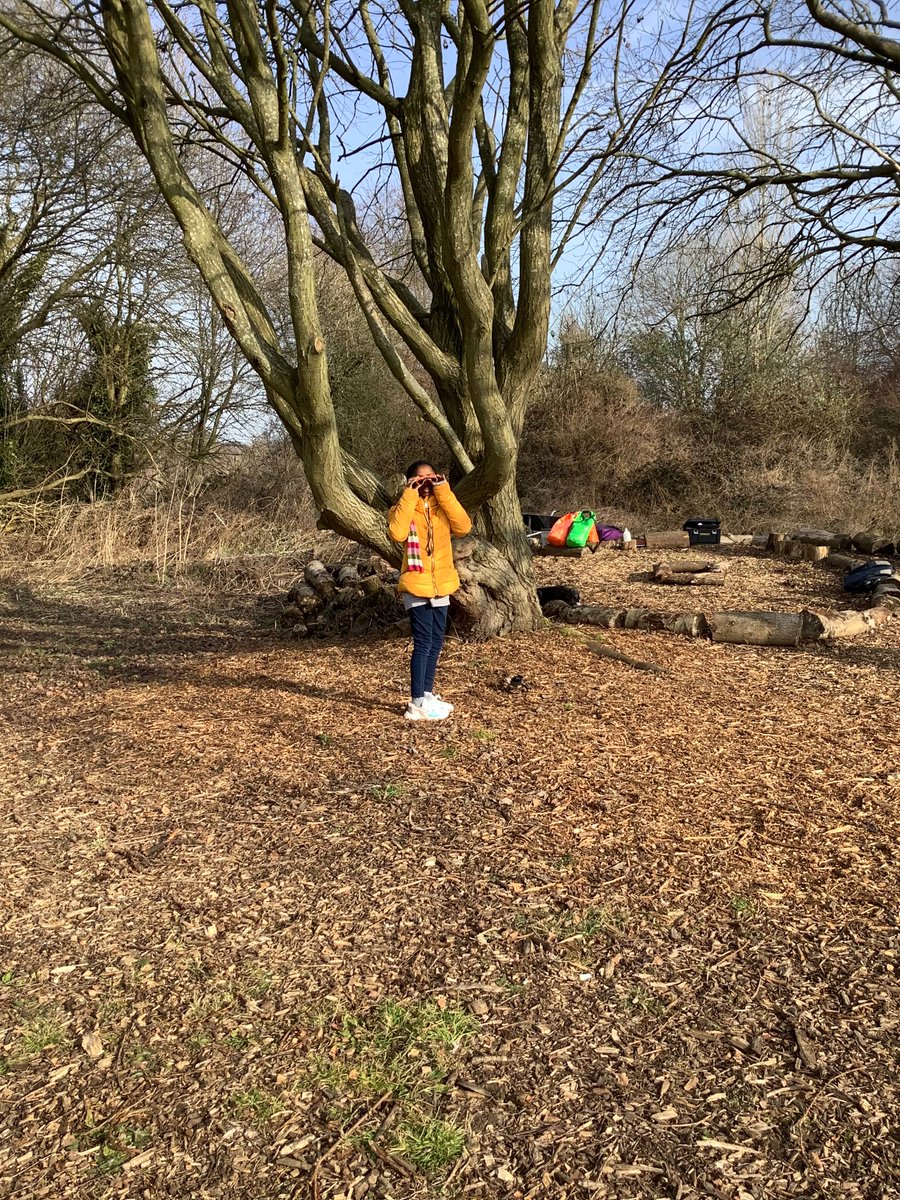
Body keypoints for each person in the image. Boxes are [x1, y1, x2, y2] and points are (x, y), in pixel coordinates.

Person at [388, 461, 472, 721]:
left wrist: (443, 490)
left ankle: (426, 694)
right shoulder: (402, 508)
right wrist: (409, 494)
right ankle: (416, 702)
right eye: (419, 479)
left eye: (430, 478)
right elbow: (397, 533)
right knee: (423, 643)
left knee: (436, 641)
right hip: (416, 583)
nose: (425, 483)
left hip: (442, 583)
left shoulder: (442, 508)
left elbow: (463, 527)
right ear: (409, 481)